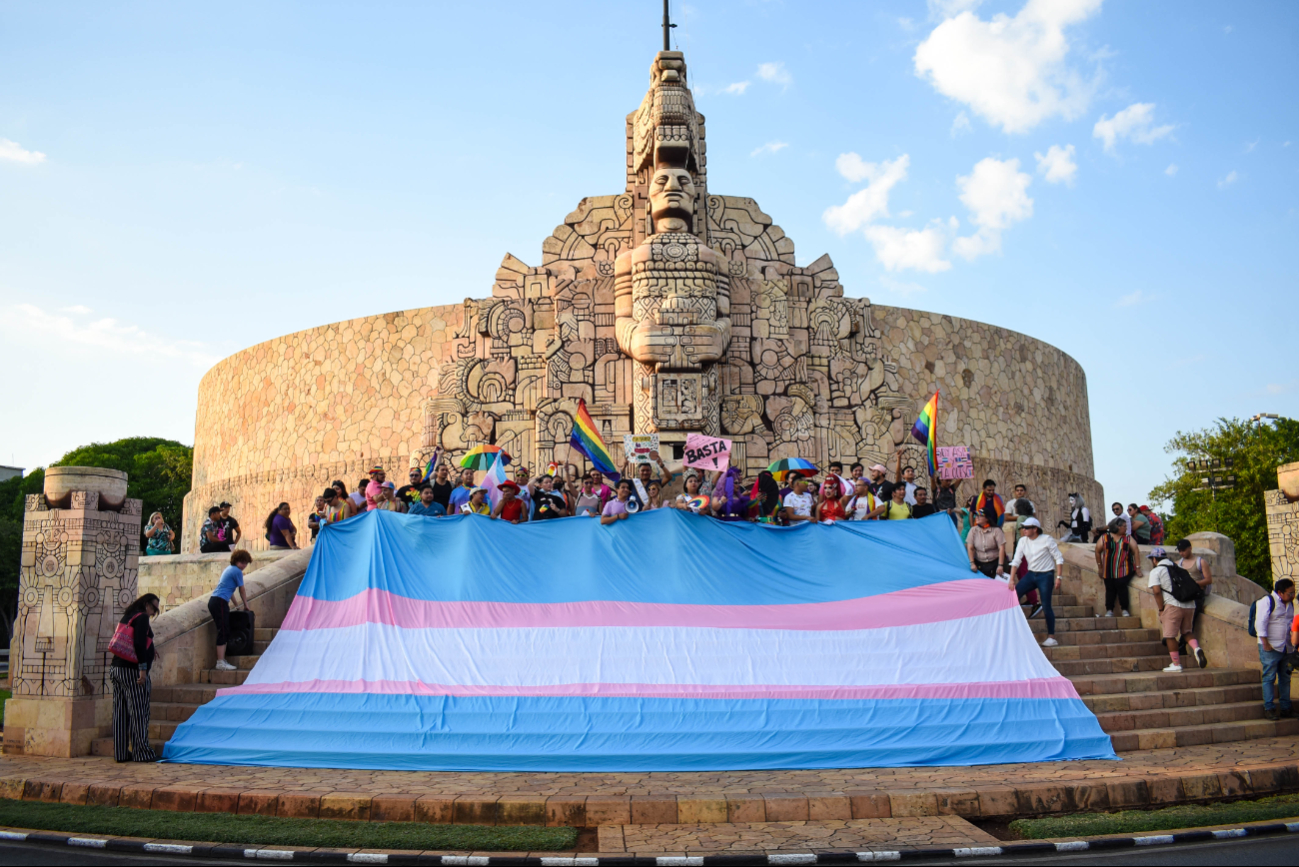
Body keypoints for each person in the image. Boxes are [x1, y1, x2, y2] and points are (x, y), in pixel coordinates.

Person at [109, 592, 161, 762]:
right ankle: (141, 752)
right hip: (132, 671)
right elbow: (138, 643)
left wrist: (151, 648)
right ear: (146, 604)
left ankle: (121, 753)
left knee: (120, 712)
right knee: (139, 711)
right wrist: (143, 670)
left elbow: (136, 640)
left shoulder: (128, 615)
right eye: (153, 608)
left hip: (117, 668)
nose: (153, 612)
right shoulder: (142, 617)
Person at [1002, 517, 1064, 647]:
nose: (1024, 530)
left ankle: (1051, 637)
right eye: (1023, 528)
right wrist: (1011, 579)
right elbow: (1016, 560)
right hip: (1031, 574)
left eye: (1027, 528)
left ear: (1035, 529)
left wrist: (1059, 577)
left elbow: (1058, 557)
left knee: (1046, 605)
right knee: (1014, 595)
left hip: (1046, 575)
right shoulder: (1023, 541)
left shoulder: (1046, 539)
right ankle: (1012, 630)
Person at [1258, 578, 1296, 720]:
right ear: (1280, 592)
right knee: (1269, 676)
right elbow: (1260, 623)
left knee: (1285, 677)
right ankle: (1269, 708)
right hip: (1271, 647)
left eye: (1294, 593)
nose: (1292, 596)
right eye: (1290, 593)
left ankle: (1286, 707)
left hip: (1286, 647)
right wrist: (1265, 643)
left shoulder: (1289, 604)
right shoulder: (1267, 602)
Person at [210, 549, 253, 672]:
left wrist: (236, 605)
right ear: (236, 561)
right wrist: (245, 604)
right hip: (220, 602)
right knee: (223, 630)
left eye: (246, 563)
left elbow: (230, 591)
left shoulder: (229, 570)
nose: (244, 565)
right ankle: (220, 662)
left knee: (224, 629)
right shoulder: (236, 571)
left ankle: (222, 660)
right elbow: (242, 589)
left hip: (217, 601)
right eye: (242, 562)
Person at [1094, 519, 1141, 618]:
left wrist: (1138, 567)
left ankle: (1124, 609)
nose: (1126, 528)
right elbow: (1097, 551)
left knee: (1122, 587)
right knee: (1110, 588)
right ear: (1118, 527)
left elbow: (1136, 550)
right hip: (1108, 569)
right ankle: (1109, 609)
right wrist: (1100, 567)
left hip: (1124, 568)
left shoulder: (1127, 538)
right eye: (1124, 526)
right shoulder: (1104, 538)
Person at [966, 511, 1006, 578]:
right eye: (976, 516)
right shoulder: (973, 530)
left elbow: (1001, 548)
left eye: (980, 516)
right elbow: (970, 548)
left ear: (987, 518)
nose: (977, 518)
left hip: (995, 563)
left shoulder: (996, 531)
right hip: (980, 564)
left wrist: (1000, 565)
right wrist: (972, 563)